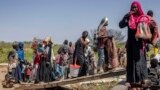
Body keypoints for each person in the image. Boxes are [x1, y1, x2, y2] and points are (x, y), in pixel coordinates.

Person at [119, 1, 148, 87]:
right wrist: (125, 16)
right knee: (130, 61)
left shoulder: (142, 17)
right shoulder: (129, 18)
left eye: (135, 7)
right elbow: (120, 25)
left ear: (138, 8)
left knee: (140, 60)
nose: (134, 9)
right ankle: (131, 80)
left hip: (139, 42)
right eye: (132, 7)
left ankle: (142, 79)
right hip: (131, 42)